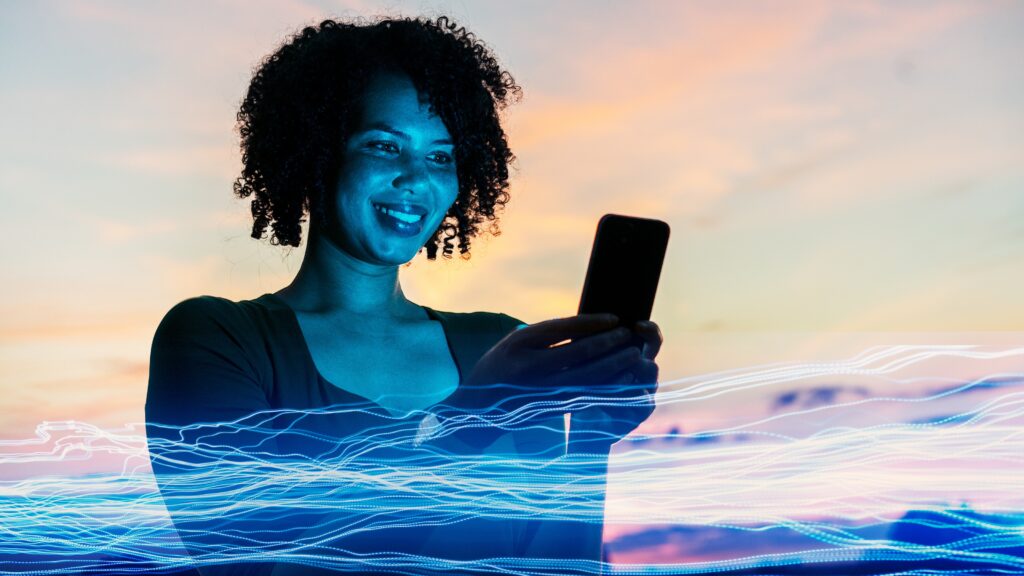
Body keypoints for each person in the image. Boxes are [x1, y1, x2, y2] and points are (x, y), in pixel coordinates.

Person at [145, 16, 662, 576]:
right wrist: (471, 419)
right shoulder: (218, 339)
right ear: (317, 152)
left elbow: (553, 570)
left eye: (440, 157)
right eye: (384, 146)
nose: (416, 178)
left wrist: (590, 440)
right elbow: (251, 567)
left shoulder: (501, 344)